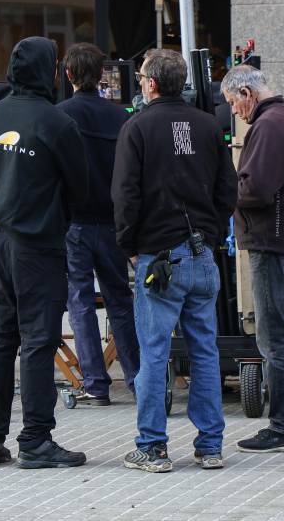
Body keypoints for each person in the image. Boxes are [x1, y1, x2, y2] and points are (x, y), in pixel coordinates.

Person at [112, 48, 237, 473]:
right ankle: (210, 445)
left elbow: (126, 195)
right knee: (205, 351)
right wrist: (215, 234)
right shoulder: (207, 125)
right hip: (203, 254)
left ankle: (152, 446)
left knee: (154, 352)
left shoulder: (138, 128)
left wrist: (128, 244)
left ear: (149, 83)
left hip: (158, 256)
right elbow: (227, 190)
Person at [0, 36, 89, 469]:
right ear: (48, 70)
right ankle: (36, 439)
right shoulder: (57, 122)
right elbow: (80, 188)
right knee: (39, 342)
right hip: (39, 245)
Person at [221, 65, 284, 454]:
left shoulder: (269, 125)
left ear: (247, 92)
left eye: (233, 103)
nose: (235, 112)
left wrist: (223, 189)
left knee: (275, 339)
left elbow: (256, 190)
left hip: (274, 243)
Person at [57, 43, 140, 405]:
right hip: (111, 220)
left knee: (80, 299)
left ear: (69, 74)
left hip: (74, 220)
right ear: (101, 75)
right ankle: (137, 377)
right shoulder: (121, 117)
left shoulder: (61, 116)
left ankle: (95, 381)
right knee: (120, 298)